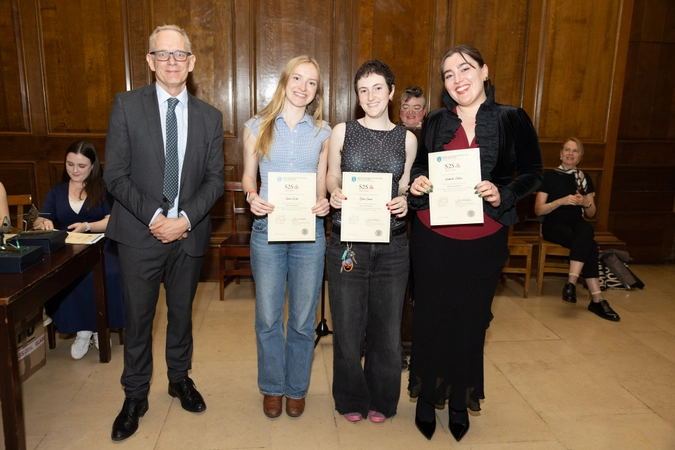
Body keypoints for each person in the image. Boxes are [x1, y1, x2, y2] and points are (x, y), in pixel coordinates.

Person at [407, 45, 543, 442]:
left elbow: (534, 173)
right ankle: (426, 398)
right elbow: (420, 168)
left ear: (484, 71)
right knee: (431, 318)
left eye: (464, 69)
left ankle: (460, 401)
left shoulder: (513, 118)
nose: (456, 79)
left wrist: (506, 193)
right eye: (448, 74)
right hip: (432, 238)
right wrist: (418, 181)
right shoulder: (433, 120)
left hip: (485, 239)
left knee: (470, 322)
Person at [104, 24, 224, 441]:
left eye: (180, 55)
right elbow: (115, 176)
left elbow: (214, 181)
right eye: (163, 54)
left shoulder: (210, 117)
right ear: (150, 61)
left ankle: (179, 379)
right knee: (138, 321)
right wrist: (157, 217)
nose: (172, 61)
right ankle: (135, 395)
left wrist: (183, 219)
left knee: (181, 316)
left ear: (191, 63)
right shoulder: (126, 106)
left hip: (188, 235)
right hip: (140, 234)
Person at [326, 60, 417, 423]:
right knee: (347, 326)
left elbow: (406, 183)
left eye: (378, 88)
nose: (370, 96)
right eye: (363, 90)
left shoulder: (407, 138)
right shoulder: (342, 131)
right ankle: (351, 397)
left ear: (392, 91)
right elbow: (333, 174)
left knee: (386, 327)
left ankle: (383, 397)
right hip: (348, 242)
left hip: (392, 244)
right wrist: (334, 192)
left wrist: (405, 200)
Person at [242, 55, 331, 419]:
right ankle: (272, 387)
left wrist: (325, 201)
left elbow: (324, 182)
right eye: (297, 78)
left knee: (302, 317)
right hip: (268, 230)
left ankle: (296, 388)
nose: (302, 87)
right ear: (284, 81)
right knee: (267, 316)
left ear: (316, 91)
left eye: (311, 82)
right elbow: (249, 176)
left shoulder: (323, 132)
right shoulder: (256, 126)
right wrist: (251, 196)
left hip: (310, 232)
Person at [31, 141, 126, 359]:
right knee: (61, 274)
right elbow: (42, 218)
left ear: (93, 166)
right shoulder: (57, 191)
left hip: (101, 243)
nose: (74, 170)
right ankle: (86, 328)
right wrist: (42, 224)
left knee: (107, 273)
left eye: (81, 166)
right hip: (67, 246)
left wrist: (87, 226)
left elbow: (113, 221)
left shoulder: (103, 189)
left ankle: (96, 328)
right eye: (70, 164)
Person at [534, 138, 620, 321]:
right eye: (567, 149)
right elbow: (538, 210)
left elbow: (591, 213)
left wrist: (584, 202)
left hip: (576, 223)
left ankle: (571, 284)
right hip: (553, 223)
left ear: (580, 156)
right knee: (589, 244)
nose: (570, 154)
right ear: (560, 153)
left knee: (586, 231)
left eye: (575, 151)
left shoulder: (584, 178)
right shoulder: (548, 177)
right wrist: (561, 201)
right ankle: (597, 299)